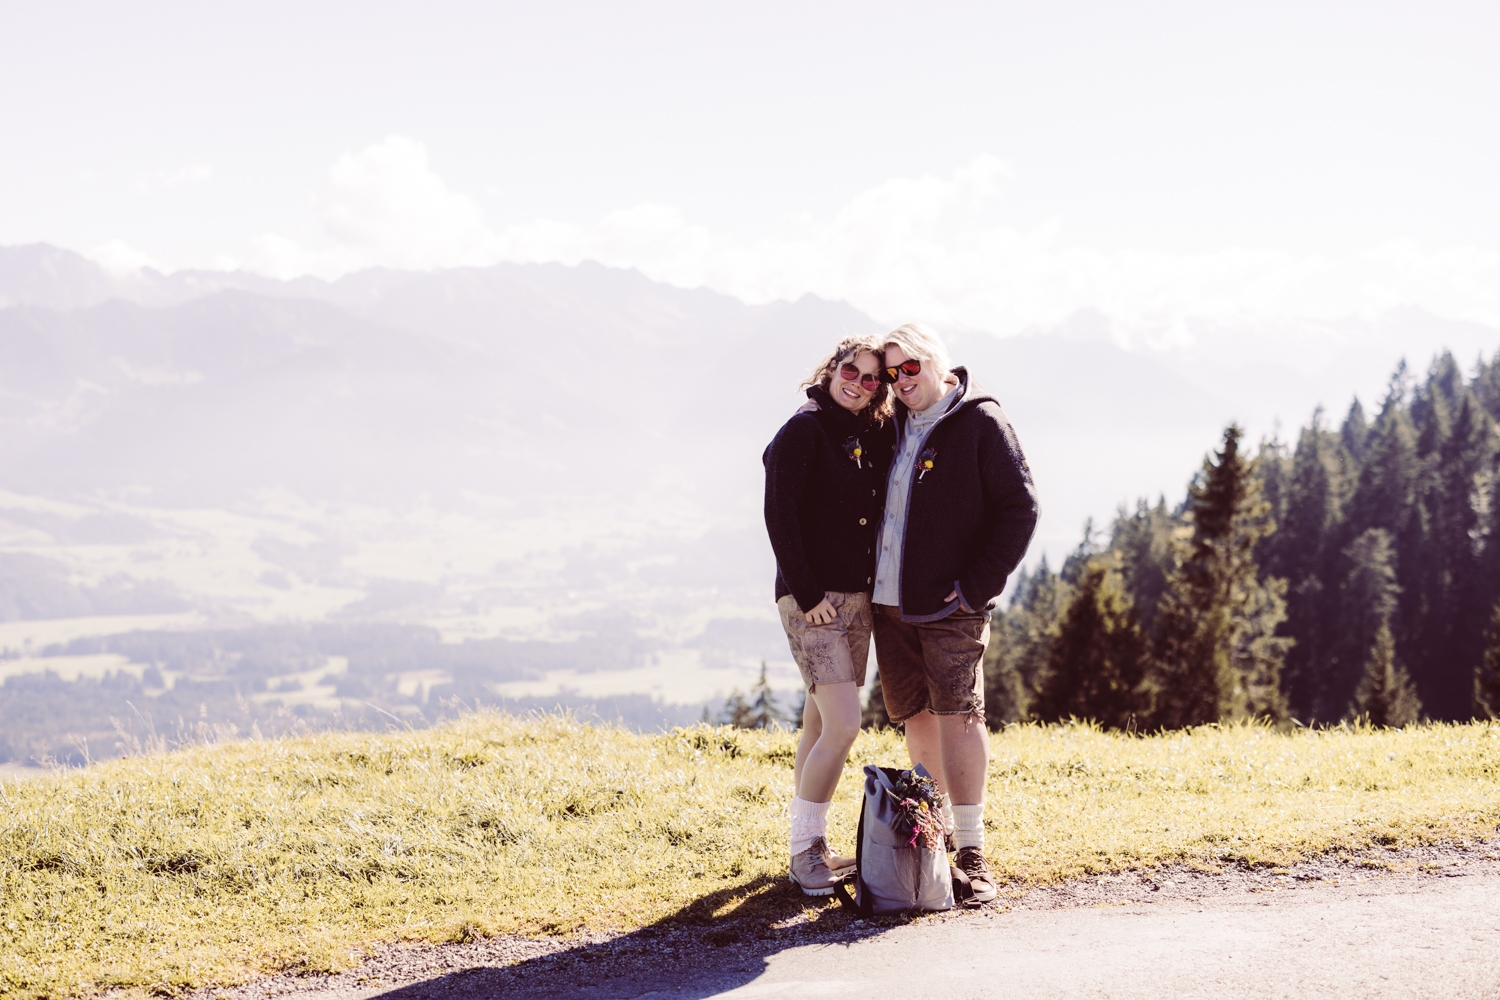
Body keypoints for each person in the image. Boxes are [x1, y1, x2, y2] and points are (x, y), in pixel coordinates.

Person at [871, 322, 1038, 903]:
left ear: (938, 364)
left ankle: (972, 852)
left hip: (951, 607)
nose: (900, 381)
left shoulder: (980, 424)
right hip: (889, 604)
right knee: (915, 716)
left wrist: (976, 587)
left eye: (909, 367)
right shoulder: (891, 425)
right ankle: (934, 843)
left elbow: (1021, 508)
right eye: (891, 373)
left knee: (959, 715)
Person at [763, 334, 896, 896]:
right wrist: (809, 592)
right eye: (852, 370)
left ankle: (809, 843)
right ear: (832, 367)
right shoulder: (804, 428)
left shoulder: (866, 431)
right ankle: (803, 852)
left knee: (819, 722)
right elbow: (780, 517)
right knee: (843, 725)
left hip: (856, 599)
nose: (859, 383)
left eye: (872, 378)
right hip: (811, 600)